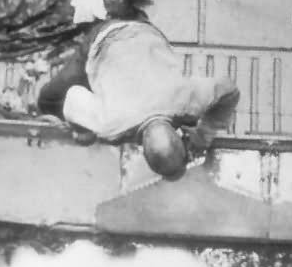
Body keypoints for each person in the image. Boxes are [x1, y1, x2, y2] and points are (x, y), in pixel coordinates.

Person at [37, 17, 240, 180]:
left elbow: (229, 89)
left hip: (146, 30)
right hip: (105, 37)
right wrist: (84, 131)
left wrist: (205, 132)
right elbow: (73, 96)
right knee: (48, 101)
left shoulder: (189, 102)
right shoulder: (110, 126)